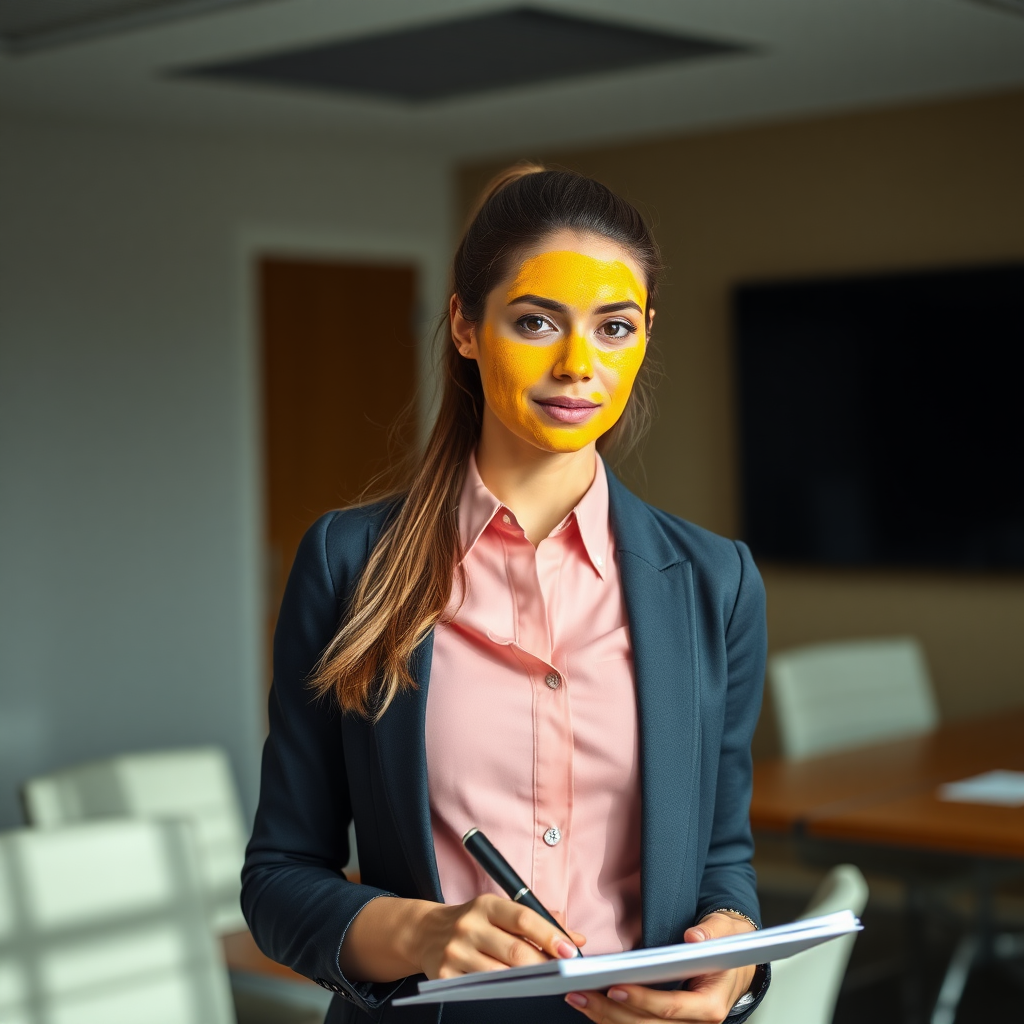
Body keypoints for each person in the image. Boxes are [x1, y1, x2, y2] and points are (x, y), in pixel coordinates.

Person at [242, 165, 770, 1024]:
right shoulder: (349, 563)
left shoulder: (717, 582)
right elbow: (277, 883)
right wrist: (418, 934)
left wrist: (730, 950)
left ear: (644, 338)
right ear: (464, 324)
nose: (578, 365)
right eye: (535, 322)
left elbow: (722, 857)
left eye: (614, 328)